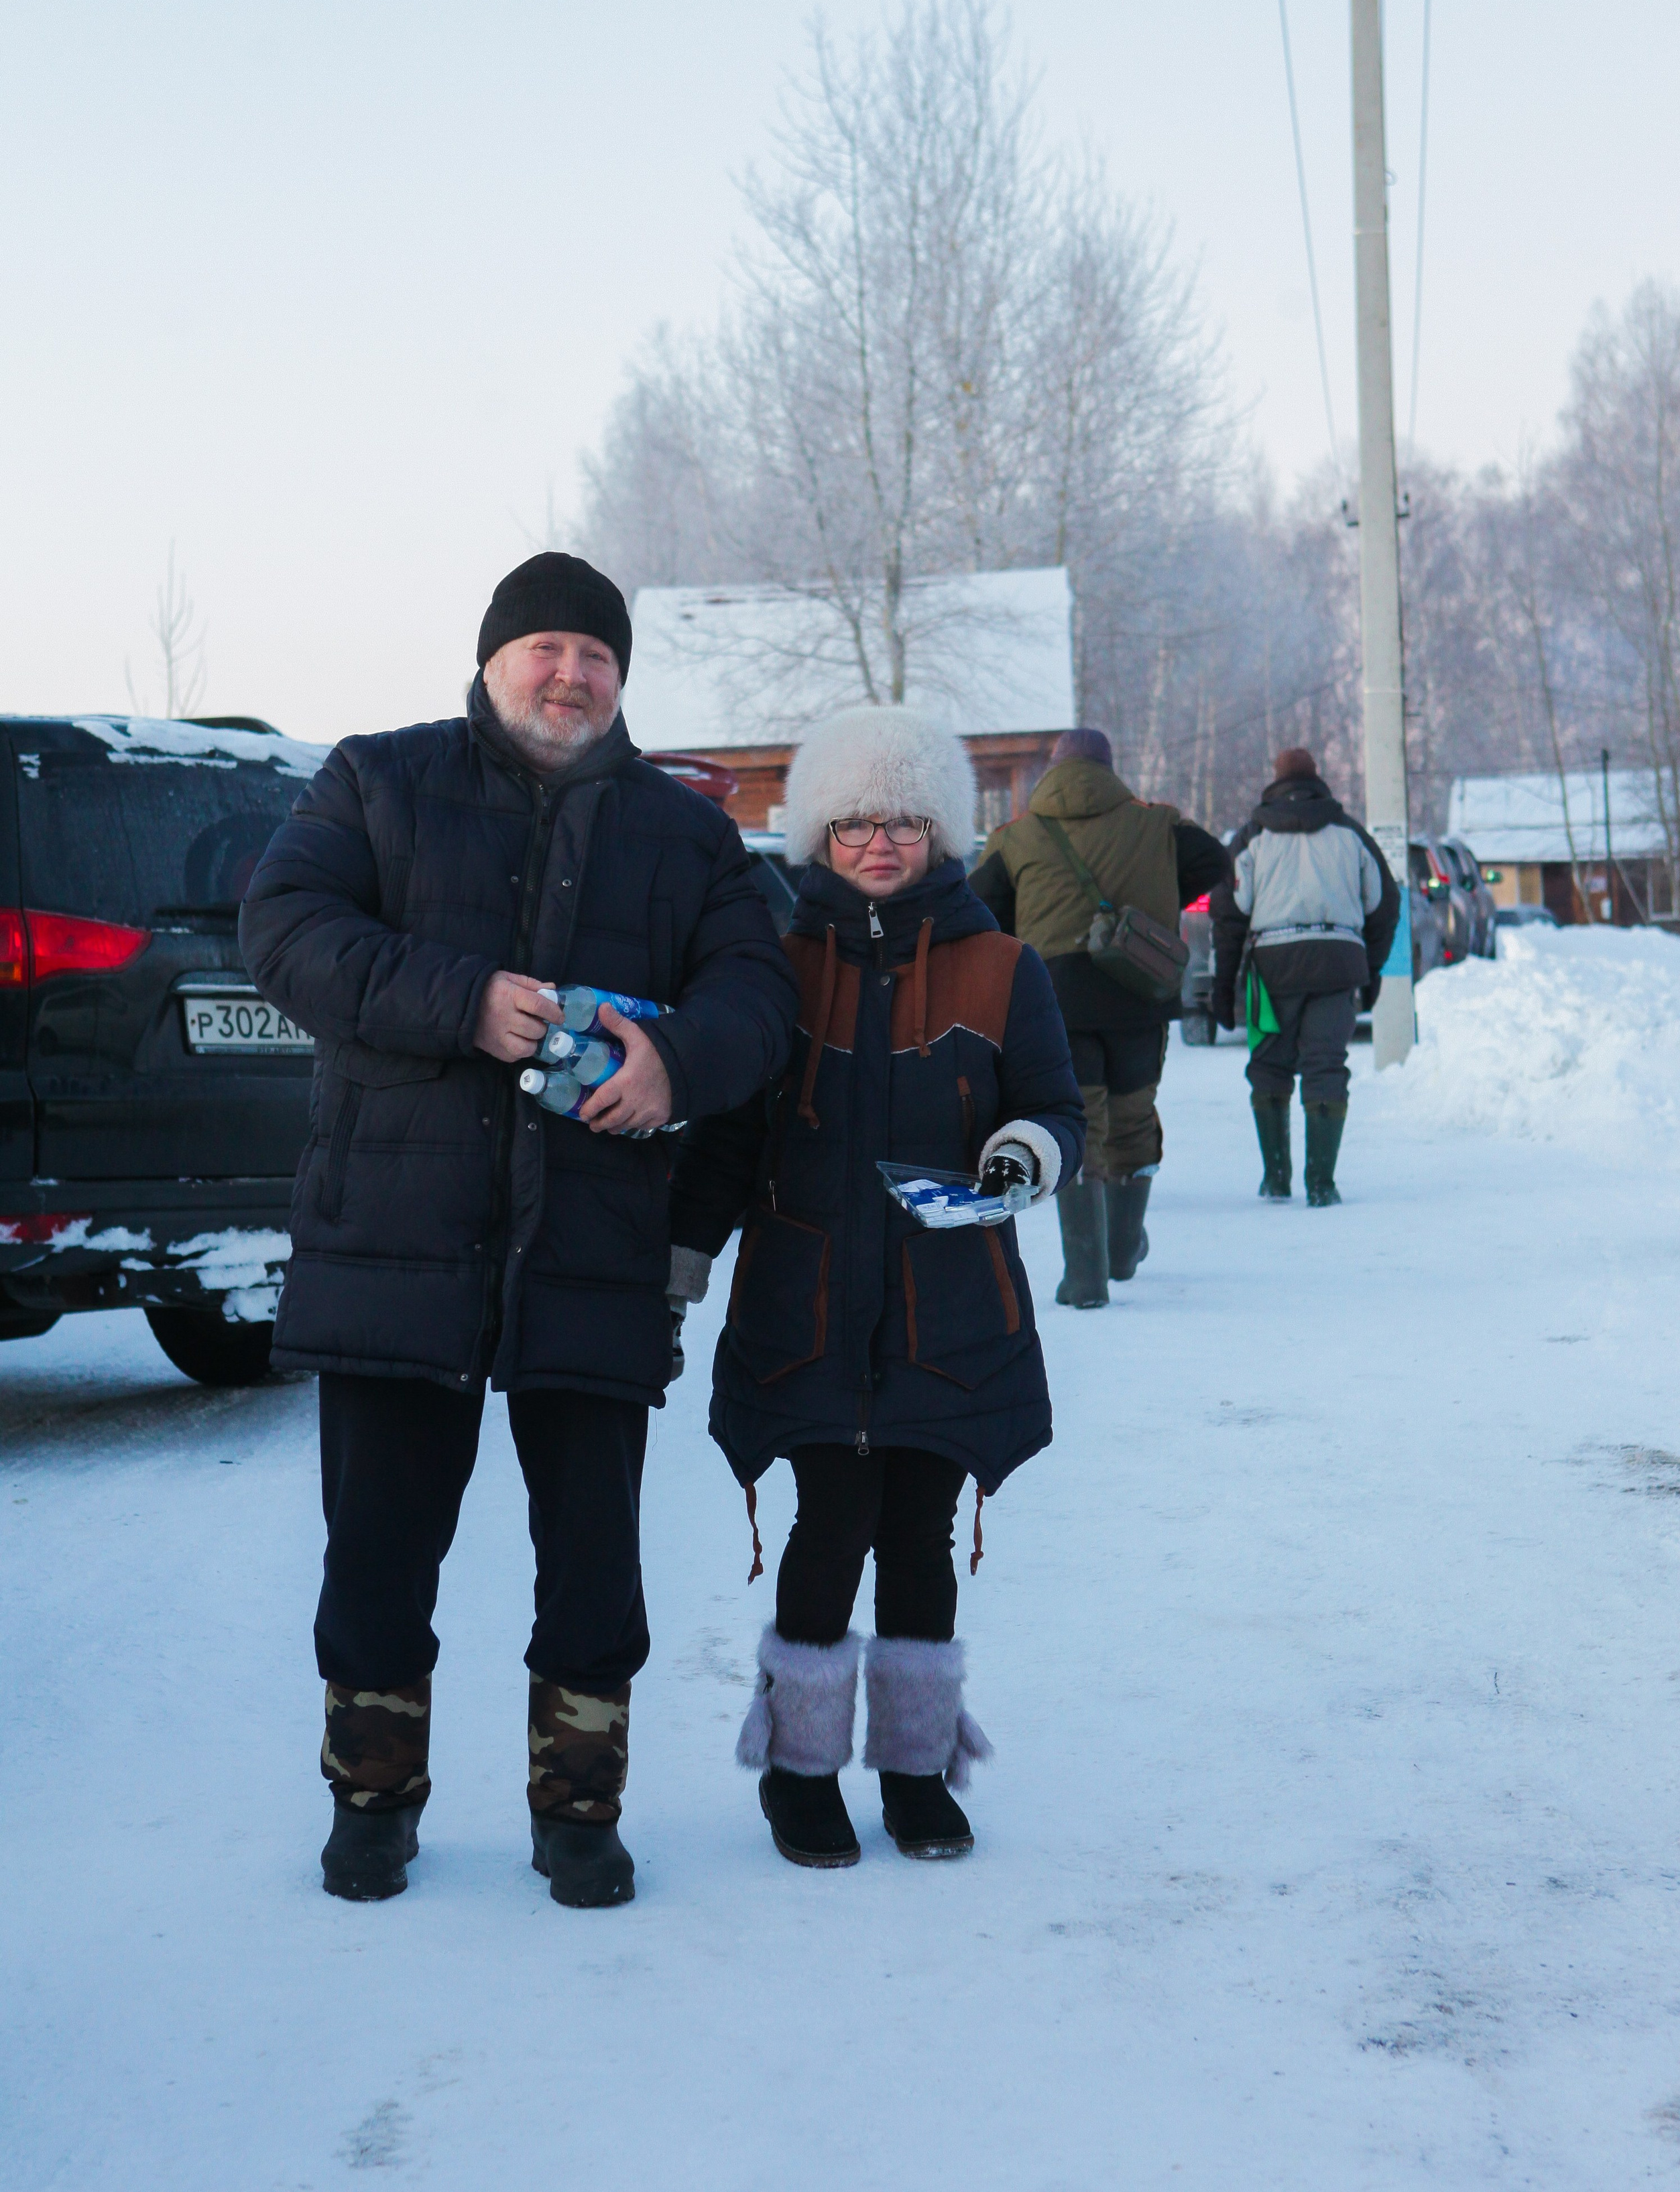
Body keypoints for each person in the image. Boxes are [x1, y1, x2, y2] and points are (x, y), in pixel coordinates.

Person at [239, 552, 796, 1908]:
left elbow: (758, 996)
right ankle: (371, 1798)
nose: (570, 673)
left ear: (621, 678)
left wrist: (677, 1064)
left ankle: (580, 1808)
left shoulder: (685, 836)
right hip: (396, 1235)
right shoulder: (376, 781)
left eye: (596, 654)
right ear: (492, 661)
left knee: (594, 1561)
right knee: (378, 1550)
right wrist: (461, 999)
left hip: (595, 1242)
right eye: (544, 647)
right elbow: (284, 928)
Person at [666, 707, 1083, 1868]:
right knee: (830, 1525)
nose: (880, 843)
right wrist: (679, 1268)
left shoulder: (1004, 966)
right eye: (854, 822)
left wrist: (1023, 1155)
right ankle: (800, 1772)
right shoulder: (775, 969)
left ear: (940, 829)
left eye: (904, 820)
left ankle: (914, 1768)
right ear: (820, 835)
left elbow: (1054, 1108)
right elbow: (729, 1134)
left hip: (950, 1309)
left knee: (920, 1536)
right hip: (804, 1304)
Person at [967, 727, 1229, 1307]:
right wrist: (1158, 894)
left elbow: (979, 908)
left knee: (1079, 1123)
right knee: (1134, 1116)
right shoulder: (1157, 824)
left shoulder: (1016, 835)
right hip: (1139, 990)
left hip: (1054, 1000)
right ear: (1108, 767)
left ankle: (1086, 1276)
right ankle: (1124, 1248)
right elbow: (1215, 859)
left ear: (1053, 769)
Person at [1208, 747, 1401, 1206]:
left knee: (1269, 1066)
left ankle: (1276, 1178)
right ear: (1317, 781)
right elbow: (1384, 904)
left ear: (1275, 782)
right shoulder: (1349, 833)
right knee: (1326, 1065)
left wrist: (1224, 984)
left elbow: (1229, 915)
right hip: (1338, 964)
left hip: (1272, 970)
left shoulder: (1253, 837)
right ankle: (1322, 1184)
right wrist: (1372, 968)